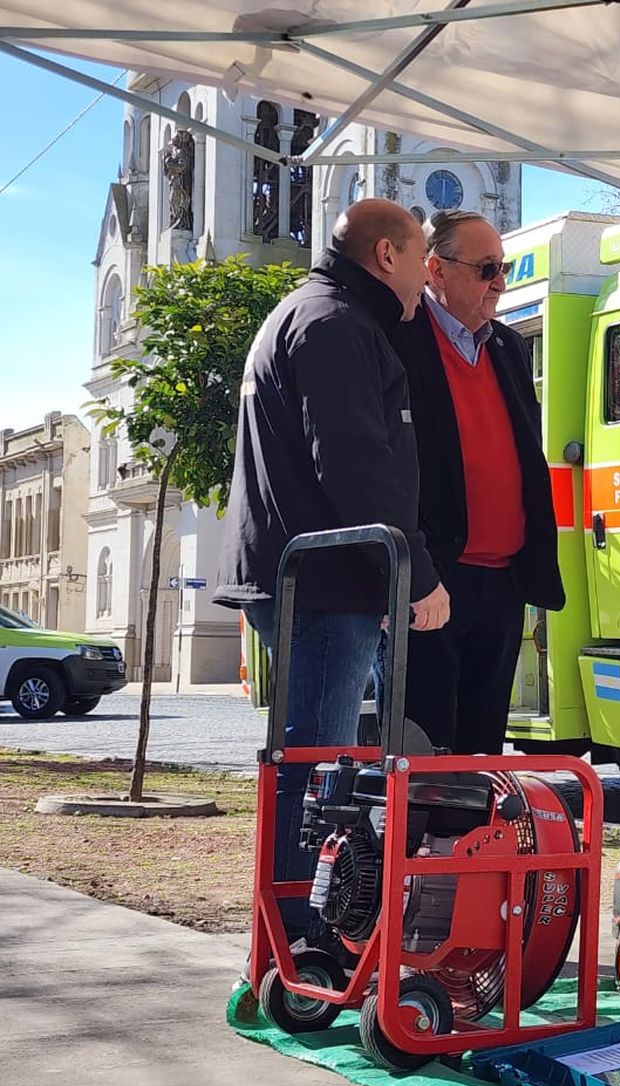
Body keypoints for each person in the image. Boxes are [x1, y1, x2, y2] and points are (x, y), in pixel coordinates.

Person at [215, 197, 451, 942]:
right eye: (421, 260)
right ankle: (300, 941)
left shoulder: (315, 315)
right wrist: (412, 573)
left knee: (315, 761)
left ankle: (295, 935)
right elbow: (354, 465)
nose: (428, 278)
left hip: (311, 577)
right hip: (319, 586)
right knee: (316, 768)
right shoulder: (337, 324)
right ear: (386, 256)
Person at [385, 210, 564, 754]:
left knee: (483, 748)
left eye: (502, 268)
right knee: (426, 747)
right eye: (487, 268)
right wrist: (414, 573)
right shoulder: (400, 340)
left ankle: (471, 841)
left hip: (502, 582)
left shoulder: (509, 346)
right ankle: (419, 841)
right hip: (434, 578)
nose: (500, 283)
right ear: (436, 270)